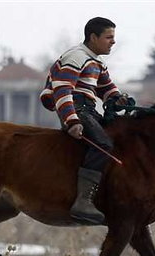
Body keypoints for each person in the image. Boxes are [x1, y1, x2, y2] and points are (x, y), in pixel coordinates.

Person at [40, 17, 130, 225]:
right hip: (76, 108)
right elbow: (62, 90)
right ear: (93, 37)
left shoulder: (97, 62)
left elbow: (107, 89)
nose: (113, 42)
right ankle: (83, 202)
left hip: (88, 109)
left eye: (113, 38)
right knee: (103, 144)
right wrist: (71, 121)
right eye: (109, 37)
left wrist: (119, 99)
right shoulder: (76, 57)